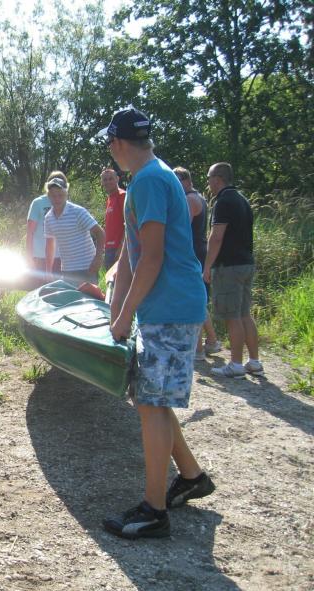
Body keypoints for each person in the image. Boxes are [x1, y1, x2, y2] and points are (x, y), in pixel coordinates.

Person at [100, 107, 214, 539]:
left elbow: (152, 257)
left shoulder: (148, 180)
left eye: (110, 144)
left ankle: (153, 511)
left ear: (118, 143)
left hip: (171, 308)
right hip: (164, 307)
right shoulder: (150, 176)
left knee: (150, 404)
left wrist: (126, 315)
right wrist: (117, 314)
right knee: (153, 399)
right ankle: (191, 476)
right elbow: (131, 255)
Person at [204, 162, 263, 378]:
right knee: (244, 313)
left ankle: (236, 364)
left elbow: (216, 237)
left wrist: (207, 266)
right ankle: (254, 362)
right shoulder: (242, 199)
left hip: (229, 266)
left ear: (218, 179)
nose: (208, 183)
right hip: (246, 263)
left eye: (209, 178)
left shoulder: (223, 202)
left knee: (232, 316)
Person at [173, 167, 222, 361]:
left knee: (191, 299)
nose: (174, 185)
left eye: (177, 180)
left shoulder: (189, 200)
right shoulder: (199, 197)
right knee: (198, 298)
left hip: (191, 253)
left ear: (186, 180)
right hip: (199, 250)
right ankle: (212, 341)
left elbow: (180, 228)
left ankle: (198, 349)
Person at [43, 176, 105, 286]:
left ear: (66, 194)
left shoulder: (78, 212)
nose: (57, 199)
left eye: (60, 195)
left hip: (87, 268)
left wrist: (98, 257)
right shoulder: (48, 218)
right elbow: (49, 245)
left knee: (89, 297)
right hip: (67, 270)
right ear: (48, 196)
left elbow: (100, 233)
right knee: (70, 297)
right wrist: (48, 271)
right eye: (53, 196)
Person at [25, 171, 64, 283]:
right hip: (40, 257)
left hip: (60, 258)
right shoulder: (38, 203)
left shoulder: (65, 203)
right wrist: (29, 257)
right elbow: (30, 232)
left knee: (58, 291)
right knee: (40, 290)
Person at [100, 168, 126, 271]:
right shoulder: (110, 199)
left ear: (117, 179)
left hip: (118, 249)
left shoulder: (122, 195)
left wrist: (121, 249)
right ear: (102, 182)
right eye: (105, 179)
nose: (108, 182)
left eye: (111, 179)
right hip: (109, 249)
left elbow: (129, 224)